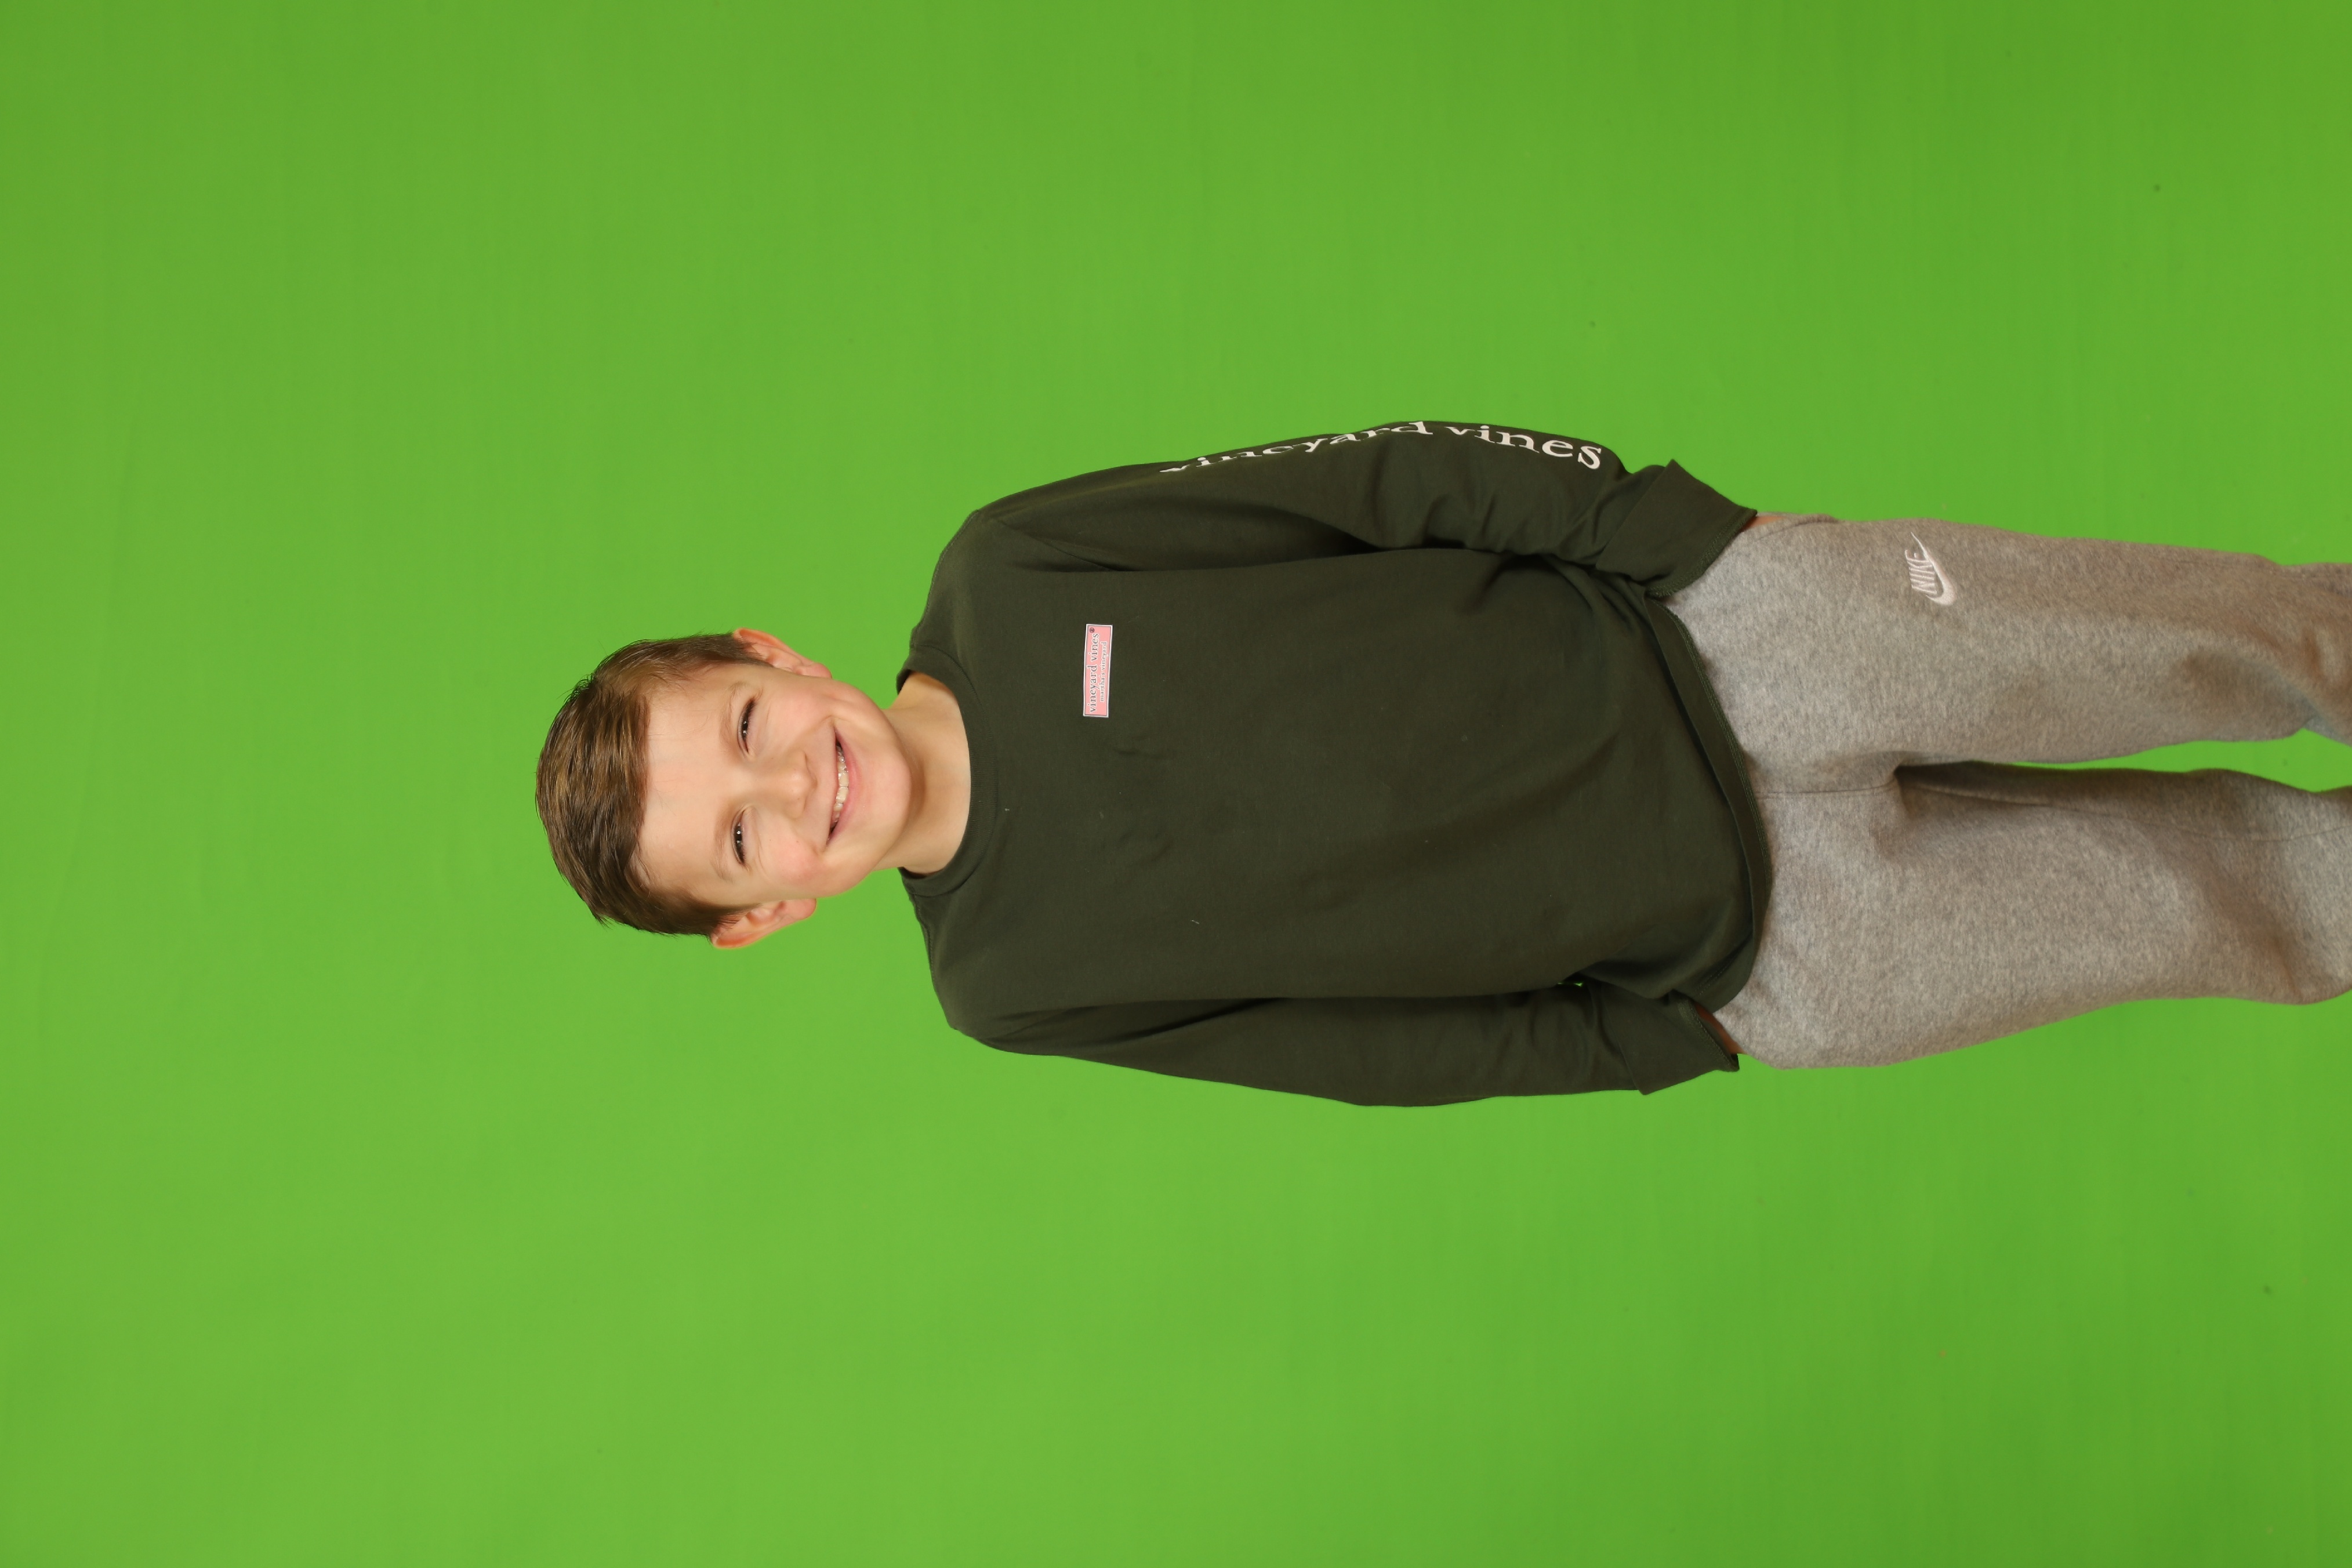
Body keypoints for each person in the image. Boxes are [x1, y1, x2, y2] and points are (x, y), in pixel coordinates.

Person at [534, 420, 2352, 1105]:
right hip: (1762, 953)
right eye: (743, 842)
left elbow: (1362, 481)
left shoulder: (1010, 573)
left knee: (2233, 641)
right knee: (2227, 912)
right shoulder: (1007, 987)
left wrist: (1678, 540)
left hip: (1726, 643)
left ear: (773, 658)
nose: (795, 788)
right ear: (760, 920)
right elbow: (1358, 1055)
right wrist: (1669, 1038)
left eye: (747, 730)